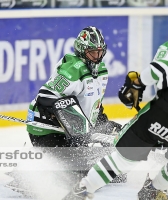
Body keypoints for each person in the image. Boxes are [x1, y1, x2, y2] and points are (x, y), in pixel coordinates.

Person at [63, 41, 168, 200]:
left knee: (123, 159)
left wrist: (137, 85)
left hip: (159, 114)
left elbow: (157, 70)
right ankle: (154, 190)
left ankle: (84, 189)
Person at [26, 26, 121, 148]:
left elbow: (93, 105)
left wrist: (102, 126)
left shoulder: (102, 71)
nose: (97, 57)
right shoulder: (73, 69)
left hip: (73, 131)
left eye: (100, 52)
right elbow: (45, 96)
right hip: (46, 129)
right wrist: (68, 123)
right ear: (81, 50)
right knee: (80, 165)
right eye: (92, 53)